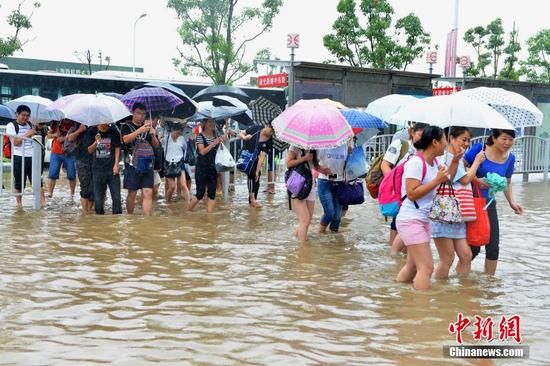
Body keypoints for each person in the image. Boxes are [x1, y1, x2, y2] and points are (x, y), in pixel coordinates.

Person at [464, 129, 523, 275]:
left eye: (511, 139)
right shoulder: (480, 150)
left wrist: (512, 203)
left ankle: (490, 283)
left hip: (489, 204)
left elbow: (507, 183)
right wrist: (477, 180)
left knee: (493, 246)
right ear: (494, 138)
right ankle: (460, 276)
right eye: (504, 139)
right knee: (474, 246)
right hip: (471, 202)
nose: (507, 143)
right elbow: (461, 167)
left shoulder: (510, 158)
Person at [396, 126, 448, 290]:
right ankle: (421, 310)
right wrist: (436, 181)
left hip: (423, 220)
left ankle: (396, 294)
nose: (446, 144)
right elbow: (411, 193)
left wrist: (453, 162)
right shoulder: (416, 163)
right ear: (435, 142)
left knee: (412, 267)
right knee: (426, 268)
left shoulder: (436, 162)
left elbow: (446, 178)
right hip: (411, 219)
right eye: (444, 140)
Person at [432, 127, 485, 279]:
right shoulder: (448, 157)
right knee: (447, 258)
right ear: (452, 138)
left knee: (466, 255)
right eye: (463, 139)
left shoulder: (457, 157)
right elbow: (464, 179)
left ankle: (461, 293)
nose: (467, 143)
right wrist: (476, 161)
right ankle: (439, 292)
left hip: (457, 214)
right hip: (445, 213)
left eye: (469, 140)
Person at [380, 122, 427, 255]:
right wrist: (394, 188)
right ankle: (394, 258)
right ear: (412, 132)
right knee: (397, 223)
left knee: (409, 227)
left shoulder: (425, 152)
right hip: (399, 193)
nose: (422, 139)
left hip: (416, 194)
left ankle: (404, 258)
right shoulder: (401, 144)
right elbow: (385, 165)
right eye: (420, 135)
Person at [121, 103, 160, 216]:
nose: (141, 116)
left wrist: (153, 135)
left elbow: (156, 145)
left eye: (143, 114)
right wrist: (140, 130)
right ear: (133, 113)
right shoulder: (126, 126)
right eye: (138, 113)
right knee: (132, 193)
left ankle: (146, 219)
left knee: (148, 191)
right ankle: (130, 217)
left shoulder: (149, 128)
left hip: (148, 164)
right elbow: (125, 140)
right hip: (132, 165)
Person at [6, 105, 45, 206]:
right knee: (19, 182)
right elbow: (15, 142)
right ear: (17, 114)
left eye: (28, 116)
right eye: (23, 115)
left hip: (33, 156)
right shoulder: (11, 125)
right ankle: (19, 204)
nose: (25, 118)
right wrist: (28, 134)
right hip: (19, 156)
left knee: (37, 180)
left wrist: (36, 130)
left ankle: (43, 203)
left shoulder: (30, 124)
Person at [188, 119, 226, 213]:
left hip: (213, 168)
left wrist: (221, 142)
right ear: (204, 124)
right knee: (200, 194)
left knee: (212, 193)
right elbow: (202, 151)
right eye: (209, 122)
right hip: (202, 168)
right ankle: (188, 212)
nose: (212, 124)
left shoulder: (216, 135)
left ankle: (210, 218)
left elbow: (219, 150)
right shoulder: (200, 136)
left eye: (213, 122)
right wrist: (213, 144)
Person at [86, 123, 122, 215]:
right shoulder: (92, 131)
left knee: (117, 198)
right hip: (97, 170)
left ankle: (116, 219)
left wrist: (116, 164)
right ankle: (99, 222)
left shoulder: (114, 131)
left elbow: (118, 148)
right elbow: (89, 150)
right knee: (98, 199)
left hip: (112, 169)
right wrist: (96, 142)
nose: (103, 123)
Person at [286, 147, 319, 241]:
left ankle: (298, 241)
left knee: (307, 221)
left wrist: (324, 170)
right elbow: (288, 164)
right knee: (305, 220)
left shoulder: (315, 148)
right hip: (297, 183)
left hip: (310, 184)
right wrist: (304, 158)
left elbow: (314, 166)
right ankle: (303, 251)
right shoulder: (295, 145)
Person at [239, 123, 274, 208]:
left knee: (256, 177)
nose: (271, 133)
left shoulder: (269, 141)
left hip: (255, 159)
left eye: (273, 132)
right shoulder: (256, 128)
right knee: (251, 173)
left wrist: (258, 171)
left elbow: (262, 157)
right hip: (245, 157)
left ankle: (252, 200)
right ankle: (252, 199)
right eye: (271, 131)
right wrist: (245, 137)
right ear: (267, 126)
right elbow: (241, 133)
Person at [316, 143, 348, 233]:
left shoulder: (345, 146)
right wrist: (323, 170)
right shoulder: (323, 146)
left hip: (340, 182)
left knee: (337, 217)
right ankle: (320, 235)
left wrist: (346, 176)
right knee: (330, 213)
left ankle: (333, 243)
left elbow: (346, 165)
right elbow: (314, 163)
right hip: (324, 182)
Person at [66, 123, 94, 214]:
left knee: (94, 188)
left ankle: (89, 211)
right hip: (81, 160)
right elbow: (69, 138)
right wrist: (80, 130)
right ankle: (85, 213)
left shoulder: (98, 126)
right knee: (85, 187)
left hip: (96, 161)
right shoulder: (76, 126)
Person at [47, 119, 76, 198]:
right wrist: (55, 135)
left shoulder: (75, 122)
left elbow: (78, 136)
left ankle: (72, 194)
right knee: (52, 174)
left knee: (71, 175)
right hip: (56, 151)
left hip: (70, 152)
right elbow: (48, 135)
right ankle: (50, 194)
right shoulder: (55, 122)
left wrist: (65, 139)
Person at [163, 123, 190, 205]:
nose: (178, 135)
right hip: (168, 164)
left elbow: (185, 150)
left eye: (180, 133)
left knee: (183, 184)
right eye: (177, 133)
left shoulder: (182, 138)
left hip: (180, 163)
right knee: (172, 186)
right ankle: (167, 203)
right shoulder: (166, 138)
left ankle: (188, 205)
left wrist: (183, 159)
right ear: (172, 130)